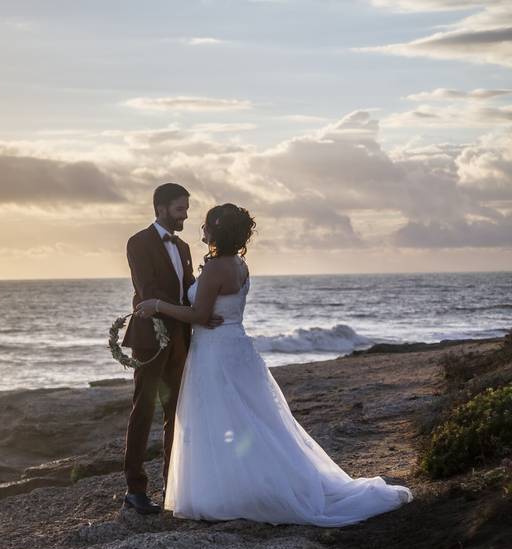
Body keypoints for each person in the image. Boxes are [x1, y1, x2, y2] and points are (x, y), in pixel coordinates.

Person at [134, 203, 412, 526]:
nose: (202, 230)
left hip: (215, 352)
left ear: (217, 231)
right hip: (237, 348)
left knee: (220, 418)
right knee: (250, 420)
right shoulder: (240, 266)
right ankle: (247, 485)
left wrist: (157, 305)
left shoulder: (215, 269)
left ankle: (228, 492)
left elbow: (198, 317)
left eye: (207, 225)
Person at [121, 183, 222, 515]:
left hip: (182, 336)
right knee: (143, 409)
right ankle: (135, 490)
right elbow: (146, 290)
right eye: (181, 209)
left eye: (187, 209)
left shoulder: (182, 247)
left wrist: (207, 306)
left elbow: (188, 288)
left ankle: (172, 484)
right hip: (150, 337)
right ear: (161, 208)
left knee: (175, 411)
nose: (186, 215)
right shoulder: (138, 243)